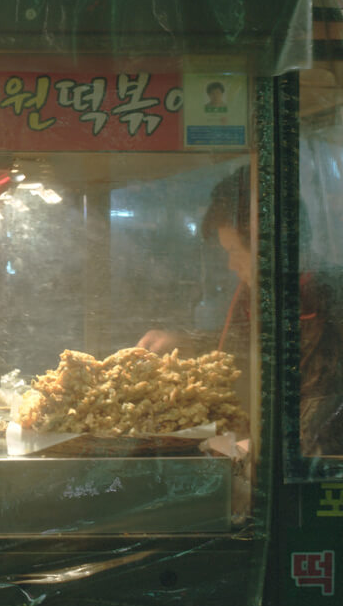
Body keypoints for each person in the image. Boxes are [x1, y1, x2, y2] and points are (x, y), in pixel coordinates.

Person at [139, 165, 343, 456]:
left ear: (271, 246)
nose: (231, 265)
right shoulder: (259, 295)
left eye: (235, 251)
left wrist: (251, 449)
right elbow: (245, 350)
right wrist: (186, 343)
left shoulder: (329, 304)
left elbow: (322, 428)